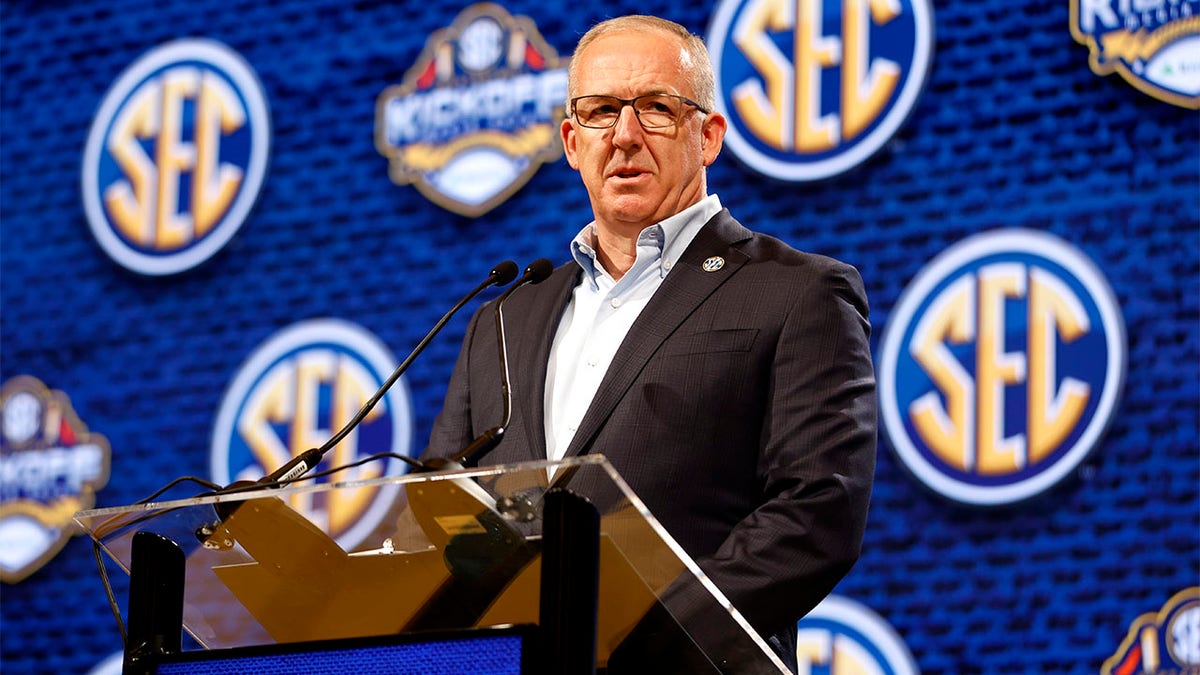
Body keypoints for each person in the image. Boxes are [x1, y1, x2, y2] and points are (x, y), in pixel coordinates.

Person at [423, 14, 876, 673]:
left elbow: (816, 514)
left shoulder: (796, 293)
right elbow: (441, 510)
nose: (625, 135)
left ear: (709, 135)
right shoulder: (503, 317)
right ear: (573, 141)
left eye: (657, 109)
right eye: (602, 111)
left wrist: (629, 640)